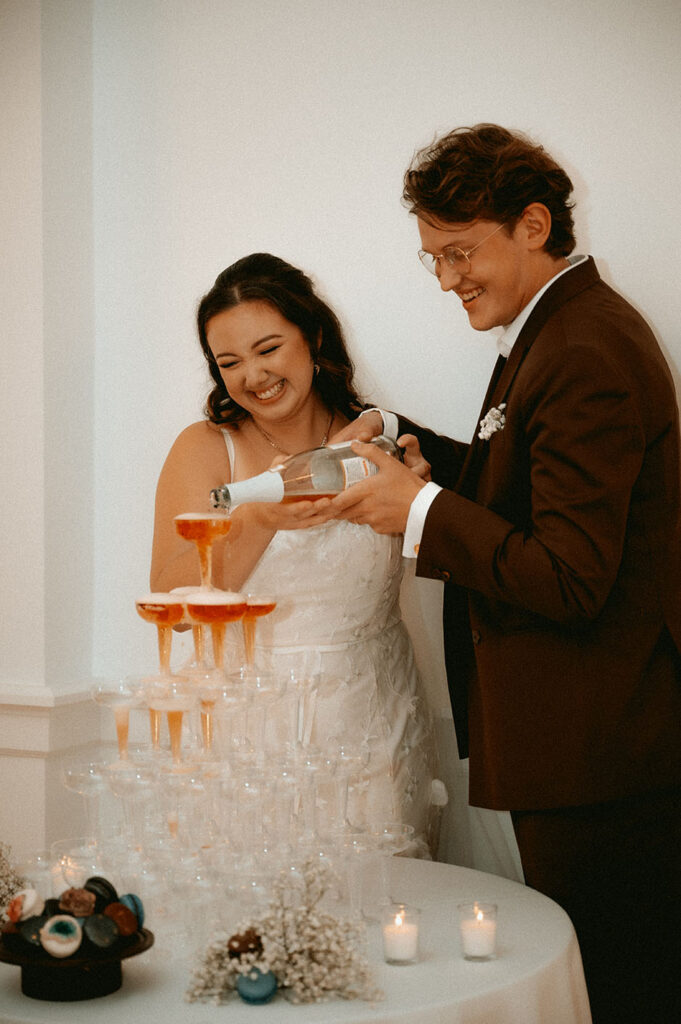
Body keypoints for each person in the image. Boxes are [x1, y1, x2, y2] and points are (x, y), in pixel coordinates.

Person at [324, 125, 681, 1022]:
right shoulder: (554, 331)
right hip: (583, 748)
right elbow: (515, 488)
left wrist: (416, 508)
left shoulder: (582, 348)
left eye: (459, 251)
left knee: (625, 993)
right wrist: (403, 438)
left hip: (602, 754)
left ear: (531, 225)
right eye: (433, 258)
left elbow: (567, 576)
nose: (446, 279)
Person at [150, 252, 444, 855]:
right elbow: (174, 606)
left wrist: (418, 498)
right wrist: (258, 520)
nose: (253, 376)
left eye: (268, 349)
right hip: (244, 732)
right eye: (229, 362)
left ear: (313, 337)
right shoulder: (206, 448)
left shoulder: (376, 440)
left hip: (374, 724)